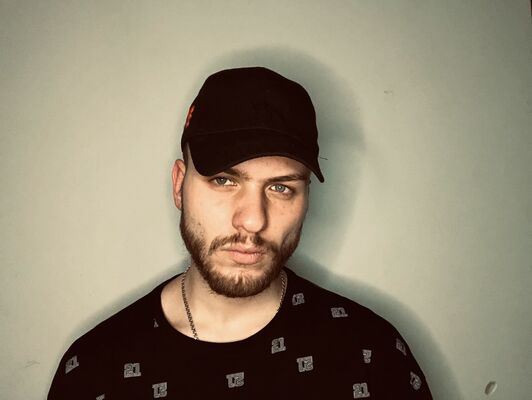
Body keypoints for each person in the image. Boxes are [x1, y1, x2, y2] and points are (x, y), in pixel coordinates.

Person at [48, 67, 433, 399]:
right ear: (179, 186)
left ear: (306, 199)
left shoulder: (372, 356)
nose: (252, 220)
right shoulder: (94, 371)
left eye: (281, 187)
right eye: (223, 180)